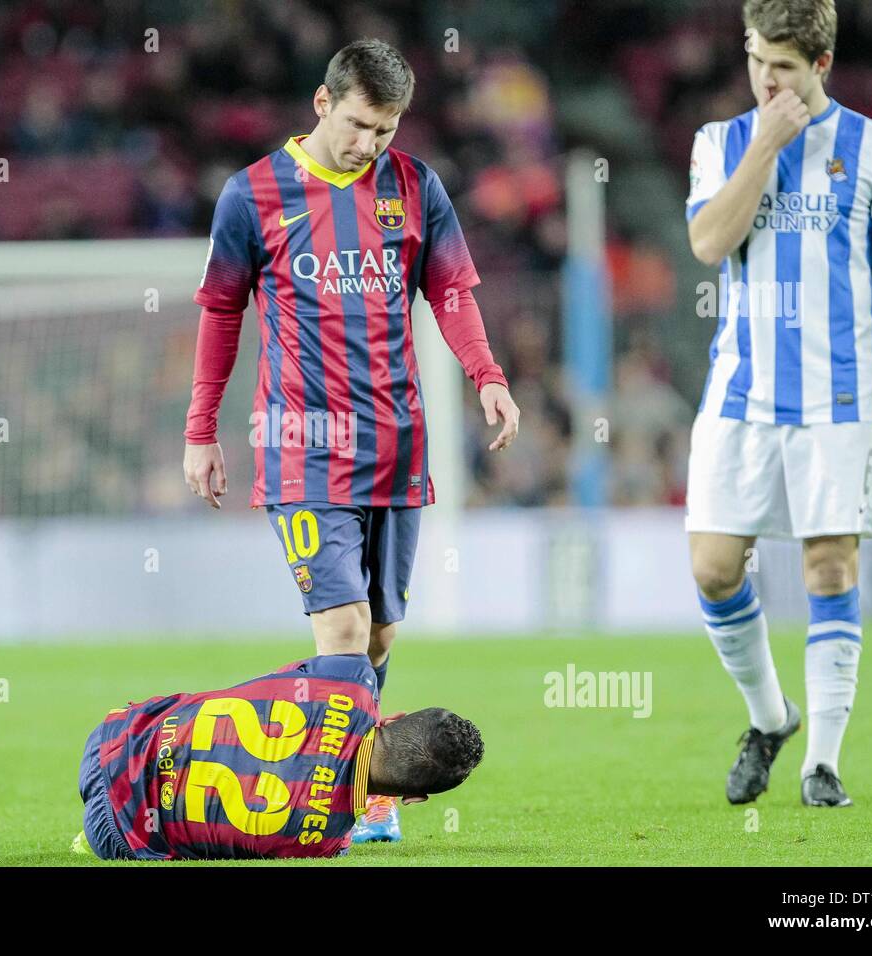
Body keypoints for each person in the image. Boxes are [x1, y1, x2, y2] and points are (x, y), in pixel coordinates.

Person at [182, 38, 518, 842]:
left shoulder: (415, 186)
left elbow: (452, 290)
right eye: (361, 125)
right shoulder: (253, 194)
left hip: (398, 445)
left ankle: (359, 784)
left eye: (388, 130)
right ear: (322, 103)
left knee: (378, 634)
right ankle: (329, 805)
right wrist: (201, 431)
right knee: (337, 628)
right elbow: (222, 311)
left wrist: (487, 374)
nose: (371, 145)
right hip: (301, 445)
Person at [684, 0, 872, 807]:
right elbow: (707, 243)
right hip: (741, 395)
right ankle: (771, 719)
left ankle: (822, 763)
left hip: (841, 396)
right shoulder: (719, 142)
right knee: (712, 566)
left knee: (829, 563)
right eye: (759, 61)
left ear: (823, 67)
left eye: (787, 69)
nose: (768, 79)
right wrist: (765, 144)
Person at [72, 653, 483, 860]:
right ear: (412, 798)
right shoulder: (324, 842)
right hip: (114, 830)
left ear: (391, 717)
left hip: (120, 732)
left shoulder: (352, 683)